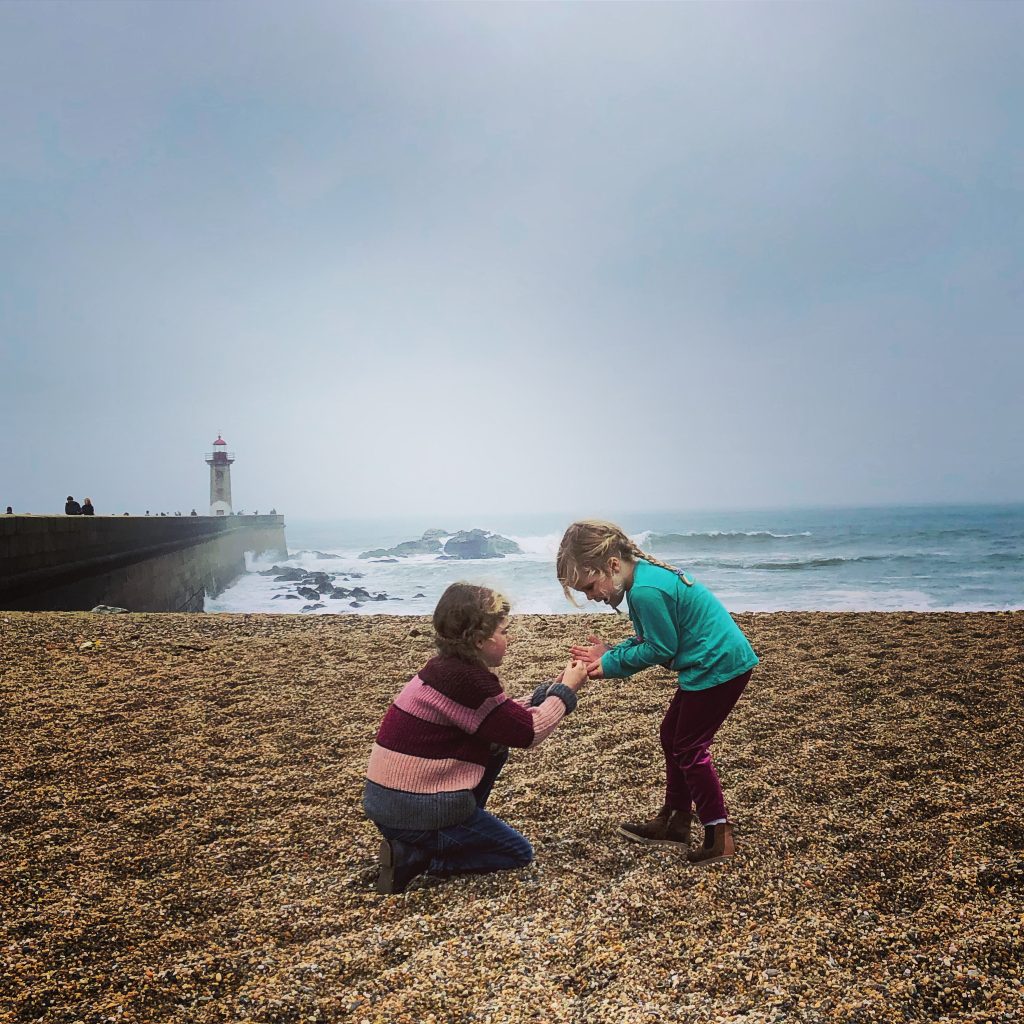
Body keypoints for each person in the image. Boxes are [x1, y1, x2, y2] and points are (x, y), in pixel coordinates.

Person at [363, 582, 588, 894]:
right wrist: (567, 692)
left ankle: (446, 834)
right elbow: (528, 732)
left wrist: (549, 691)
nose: (509, 639)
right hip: (413, 812)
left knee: (496, 746)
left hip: (389, 805)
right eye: (504, 632)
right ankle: (418, 857)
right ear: (480, 640)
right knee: (516, 853)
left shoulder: (445, 669)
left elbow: (498, 718)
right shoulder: (468, 681)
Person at [557, 520, 758, 866]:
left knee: (690, 748)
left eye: (589, 586)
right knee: (672, 736)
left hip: (718, 666)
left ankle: (718, 835)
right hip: (710, 663)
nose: (591, 597)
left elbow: (660, 648)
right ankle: (676, 821)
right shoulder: (642, 579)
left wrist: (611, 665)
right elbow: (650, 638)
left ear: (612, 566)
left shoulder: (646, 591)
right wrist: (611, 653)